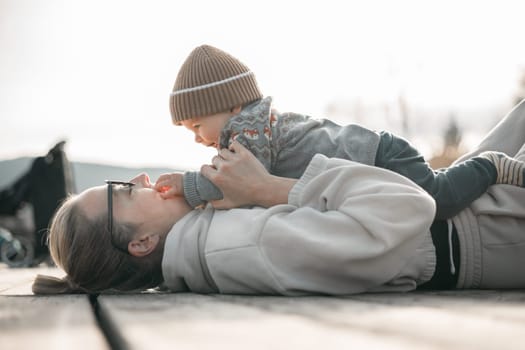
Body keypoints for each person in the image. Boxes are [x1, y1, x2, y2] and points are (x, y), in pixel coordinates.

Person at [31, 99, 525, 294]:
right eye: (123, 191)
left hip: (475, 216)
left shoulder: (212, 231)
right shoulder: (234, 248)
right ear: (139, 244)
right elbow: (413, 208)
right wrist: (267, 189)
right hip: (489, 232)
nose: (140, 178)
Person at [158, 44, 525, 220]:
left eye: (196, 125)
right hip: (374, 158)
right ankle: (477, 171)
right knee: (434, 188)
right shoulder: (251, 128)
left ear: (233, 105)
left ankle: (490, 165)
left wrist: (186, 186)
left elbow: (234, 183)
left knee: (438, 201)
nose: (196, 137)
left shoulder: (249, 132)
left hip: (380, 156)